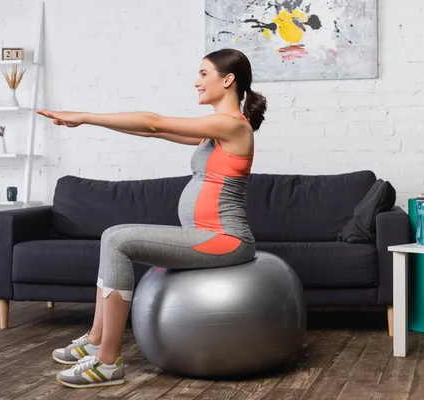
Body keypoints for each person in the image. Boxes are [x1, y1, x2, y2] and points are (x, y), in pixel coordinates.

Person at [36, 48, 267, 388]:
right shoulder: (213, 132)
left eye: (204, 74)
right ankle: (98, 338)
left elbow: (154, 121)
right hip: (207, 236)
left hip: (227, 240)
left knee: (119, 239)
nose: (196, 82)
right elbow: (152, 131)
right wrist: (88, 122)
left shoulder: (231, 126)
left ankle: (108, 361)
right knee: (111, 236)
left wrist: (85, 116)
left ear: (227, 79)